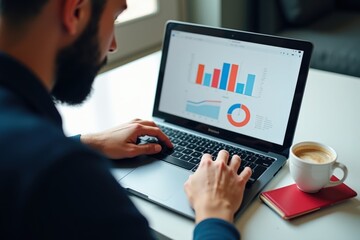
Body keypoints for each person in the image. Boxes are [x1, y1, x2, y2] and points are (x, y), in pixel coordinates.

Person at [0, 0, 252, 239]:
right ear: (75, 12)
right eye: (115, 17)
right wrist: (214, 211)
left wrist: (85, 143)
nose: (113, 46)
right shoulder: (65, 175)